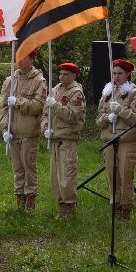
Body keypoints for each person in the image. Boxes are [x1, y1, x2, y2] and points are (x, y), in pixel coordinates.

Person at [96, 58, 136, 221]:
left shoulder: (135, 92)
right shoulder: (107, 92)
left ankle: (126, 209)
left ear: (128, 74)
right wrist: (107, 118)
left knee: (125, 175)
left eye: (120, 73)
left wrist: (121, 111)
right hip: (109, 140)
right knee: (112, 175)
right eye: (114, 73)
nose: (116, 77)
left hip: (126, 140)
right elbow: (98, 119)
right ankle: (115, 206)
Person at [0, 53, 47, 212]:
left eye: (23, 57)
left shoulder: (39, 81)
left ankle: (31, 200)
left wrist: (18, 101)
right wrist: (6, 128)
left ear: (31, 60)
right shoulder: (10, 80)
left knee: (28, 166)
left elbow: (38, 106)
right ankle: (19, 199)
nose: (19, 60)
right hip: (13, 133)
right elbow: (2, 108)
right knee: (17, 168)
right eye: (18, 57)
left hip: (29, 132)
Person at [45, 61, 86, 219]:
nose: (62, 77)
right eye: (60, 74)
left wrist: (56, 106)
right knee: (55, 177)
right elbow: (44, 113)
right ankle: (61, 205)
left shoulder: (76, 93)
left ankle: (69, 206)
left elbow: (73, 116)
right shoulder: (55, 90)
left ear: (74, 75)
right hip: (55, 138)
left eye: (66, 74)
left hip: (67, 139)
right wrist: (45, 127)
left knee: (67, 176)